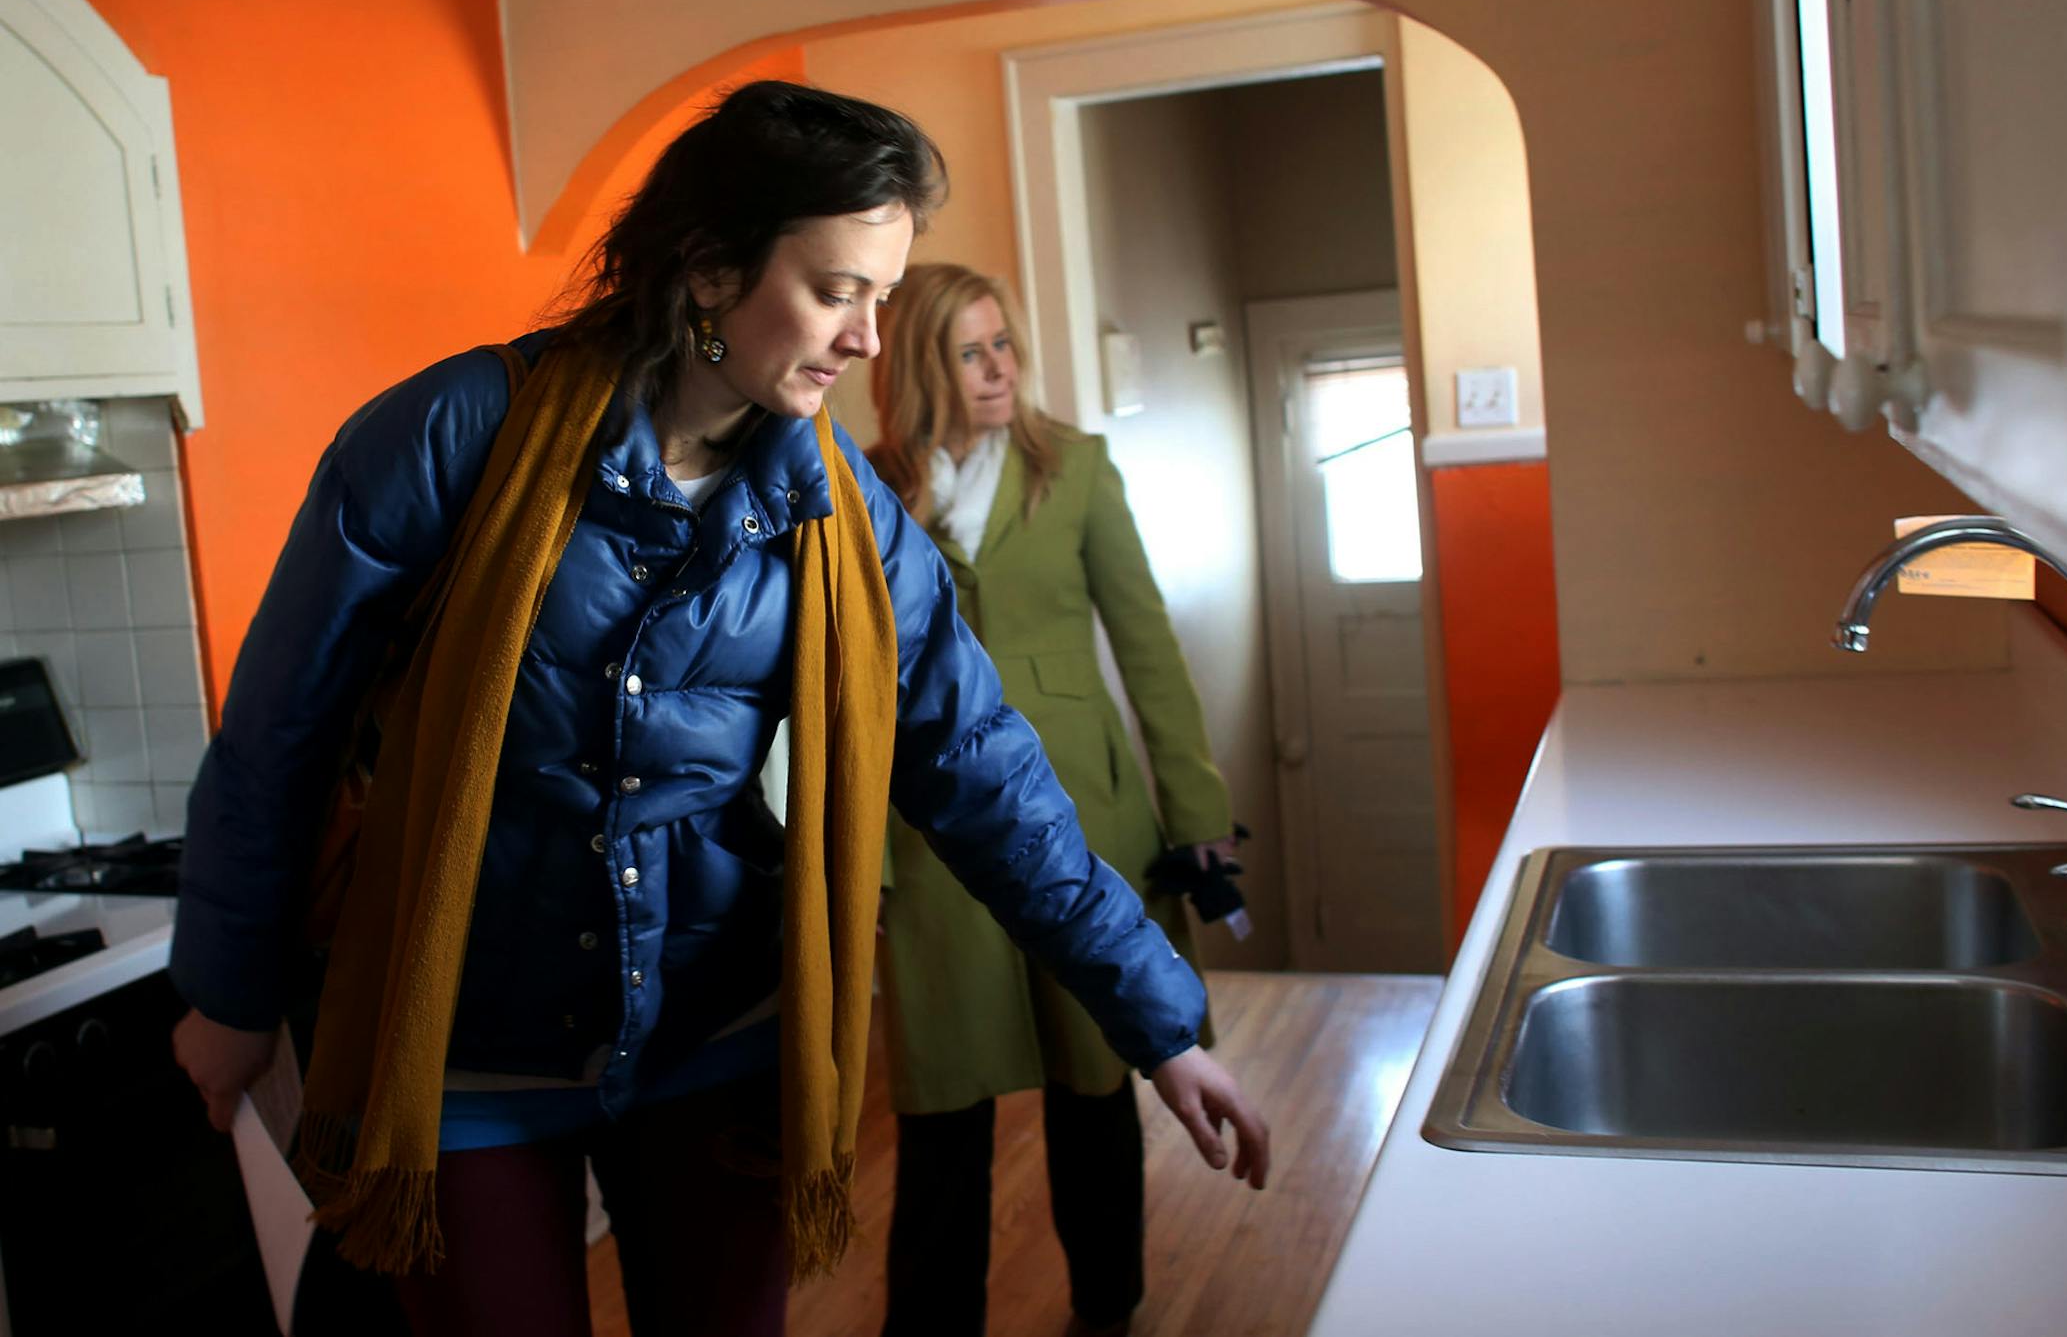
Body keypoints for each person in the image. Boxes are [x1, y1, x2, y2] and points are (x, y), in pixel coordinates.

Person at [167, 82, 1267, 1337]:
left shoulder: (840, 512)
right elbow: (277, 735)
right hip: (462, 1035)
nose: (867, 337)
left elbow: (976, 763)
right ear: (705, 266)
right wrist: (229, 988)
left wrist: (1159, 1020)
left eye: (884, 296)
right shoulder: (454, 435)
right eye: (837, 287)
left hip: (716, 1030)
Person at [866, 264, 1242, 1337]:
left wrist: (1195, 803)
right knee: (941, 1099)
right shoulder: (872, 485)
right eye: (972, 350)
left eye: (1006, 345)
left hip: (1085, 809)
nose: (1000, 369)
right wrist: (863, 860)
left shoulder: (1075, 468)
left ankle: (1106, 1308)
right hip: (930, 825)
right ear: (922, 362)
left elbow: (1148, 644)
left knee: (1095, 1077)